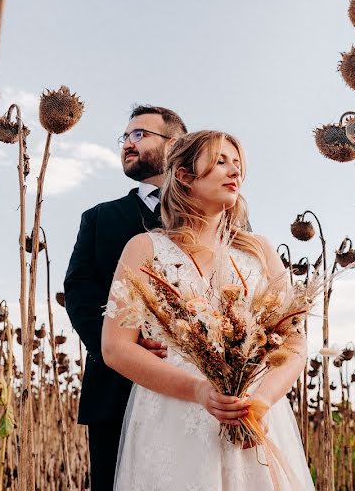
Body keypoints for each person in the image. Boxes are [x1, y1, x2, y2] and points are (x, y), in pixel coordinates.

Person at [102, 130, 314, 490]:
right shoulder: (144, 248)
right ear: (184, 176)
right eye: (220, 162)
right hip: (173, 414)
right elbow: (115, 347)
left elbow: (294, 344)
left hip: (253, 411)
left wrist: (259, 403)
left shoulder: (259, 251)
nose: (235, 172)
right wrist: (199, 391)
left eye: (237, 164)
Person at [64, 105, 187, 491]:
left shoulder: (214, 214)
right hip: (114, 390)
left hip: (199, 387)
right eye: (125, 137)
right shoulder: (99, 218)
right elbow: (80, 293)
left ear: (176, 147)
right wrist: (122, 346)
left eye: (140, 135)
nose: (127, 144)